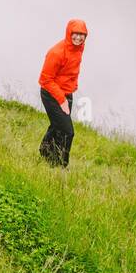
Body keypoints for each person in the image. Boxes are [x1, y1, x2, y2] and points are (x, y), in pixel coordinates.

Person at [38, 19, 88, 168]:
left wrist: (73, 86)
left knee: (57, 126)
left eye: (82, 35)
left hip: (66, 92)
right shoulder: (56, 52)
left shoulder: (78, 48)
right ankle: (61, 165)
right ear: (69, 33)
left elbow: (71, 70)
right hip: (51, 93)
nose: (78, 38)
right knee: (67, 132)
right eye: (75, 34)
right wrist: (62, 100)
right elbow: (45, 80)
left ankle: (45, 153)